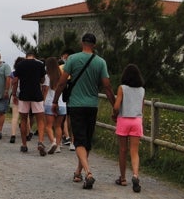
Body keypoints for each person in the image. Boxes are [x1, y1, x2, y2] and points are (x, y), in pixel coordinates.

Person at [52, 33, 116, 190]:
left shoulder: (72, 59)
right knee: (86, 140)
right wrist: (114, 105)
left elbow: (61, 82)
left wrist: (55, 100)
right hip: (92, 105)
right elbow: (107, 86)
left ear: (82, 43)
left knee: (79, 140)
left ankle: (88, 173)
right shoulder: (101, 62)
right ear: (94, 45)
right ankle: (78, 172)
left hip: (76, 104)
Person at [112, 64, 145, 193]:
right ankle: (135, 175)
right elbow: (142, 108)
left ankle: (123, 178)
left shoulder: (122, 88)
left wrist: (114, 115)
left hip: (124, 119)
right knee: (134, 151)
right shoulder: (142, 90)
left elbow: (116, 106)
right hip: (137, 120)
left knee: (123, 150)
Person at [12, 52, 47, 155]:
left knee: (23, 120)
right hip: (36, 94)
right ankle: (40, 141)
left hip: (24, 95)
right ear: (34, 56)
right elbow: (42, 79)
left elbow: (15, 80)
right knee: (40, 119)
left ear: (26, 56)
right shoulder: (40, 64)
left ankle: (24, 145)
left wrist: (14, 94)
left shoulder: (20, 65)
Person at [43, 57, 66, 154]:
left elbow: (45, 90)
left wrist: (42, 101)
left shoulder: (47, 77)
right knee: (58, 126)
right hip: (62, 104)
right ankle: (58, 145)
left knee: (48, 126)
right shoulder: (62, 75)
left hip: (50, 102)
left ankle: (53, 142)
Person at [9, 57, 25, 143]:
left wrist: (14, 95)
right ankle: (27, 133)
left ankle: (13, 135)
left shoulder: (13, 74)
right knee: (25, 117)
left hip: (15, 96)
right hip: (25, 97)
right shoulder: (27, 73)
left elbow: (12, 85)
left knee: (15, 117)